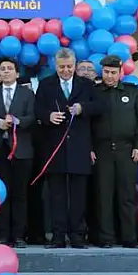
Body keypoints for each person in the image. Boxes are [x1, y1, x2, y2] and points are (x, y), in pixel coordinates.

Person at [35, 48, 102, 249]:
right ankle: (58, 235)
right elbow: (37, 109)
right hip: (54, 148)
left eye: (69, 67)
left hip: (79, 148)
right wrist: (48, 117)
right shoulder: (46, 85)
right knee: (56, 195)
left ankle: (77, 235)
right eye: (62, 67)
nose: (66, 70)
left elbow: (100, 106)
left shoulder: (86, 85)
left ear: (75, 65)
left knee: (78, 195)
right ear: (55, 66)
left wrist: (83, 108)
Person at [90, 55, 138, 248]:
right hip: (102, 150)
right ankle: (106, 238)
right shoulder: (95, 92)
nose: (110, 76)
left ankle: (129, 238)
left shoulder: (132, 92)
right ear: (102, 72)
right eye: (106, 72)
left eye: (114, 73)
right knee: (103, 197)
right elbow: (87, 124)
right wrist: (90, 147)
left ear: (121, 73)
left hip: (127, 151)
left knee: (127, 196)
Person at [0, 58, 35, 247]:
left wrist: (17, 121)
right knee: (1, 194)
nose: (6, 72)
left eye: (9, 69)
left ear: (17, 73)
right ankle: (3, 235)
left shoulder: (27, 94)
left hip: (21, 150)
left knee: (20, 194)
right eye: (3, 69)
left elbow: (32, 116)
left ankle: (19, 235)